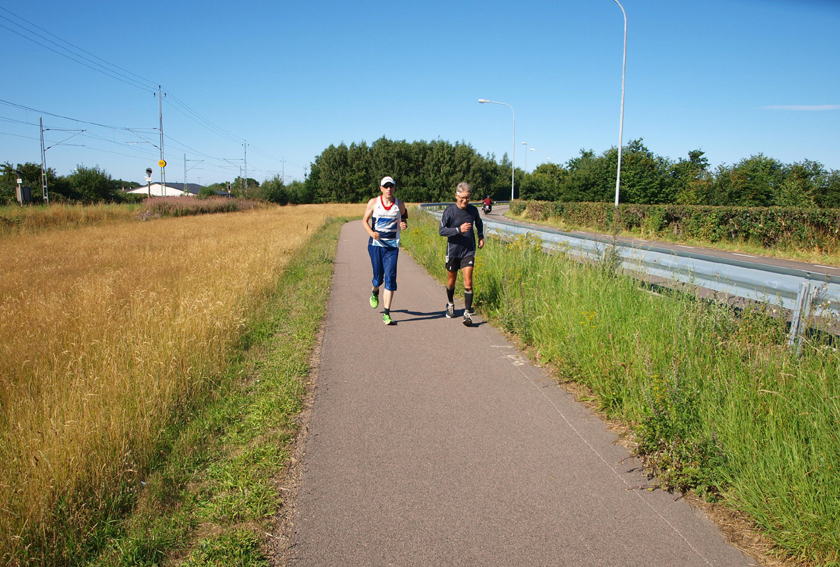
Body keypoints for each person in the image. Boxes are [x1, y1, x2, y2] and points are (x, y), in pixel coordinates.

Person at [363, 176, 408, 325]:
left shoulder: (399, 205)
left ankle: (387, 314)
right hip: (376, 245)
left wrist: (403, 223)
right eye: (386, 186)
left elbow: (404, 216)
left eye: (391, 186)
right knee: (379, 278)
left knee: (390, 278)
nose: (388, 189)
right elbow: (364, 221)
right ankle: (375, 290)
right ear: (381, 188)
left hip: (392, 246)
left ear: (394, 188)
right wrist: (371, 233)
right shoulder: (374, 202)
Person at [438, 182, 485, 326]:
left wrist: (481, 236)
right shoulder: (450, 211)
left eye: (468, 198)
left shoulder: (472, 210)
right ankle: (450, 303)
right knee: (451, 282)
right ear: (456, 196)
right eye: (462, 198)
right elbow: (441, 231)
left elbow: (479, 223)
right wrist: (458, 230)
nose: (465, 201)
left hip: (468, 251)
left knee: (468, 282)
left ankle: (467, 313)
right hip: (453, 251)